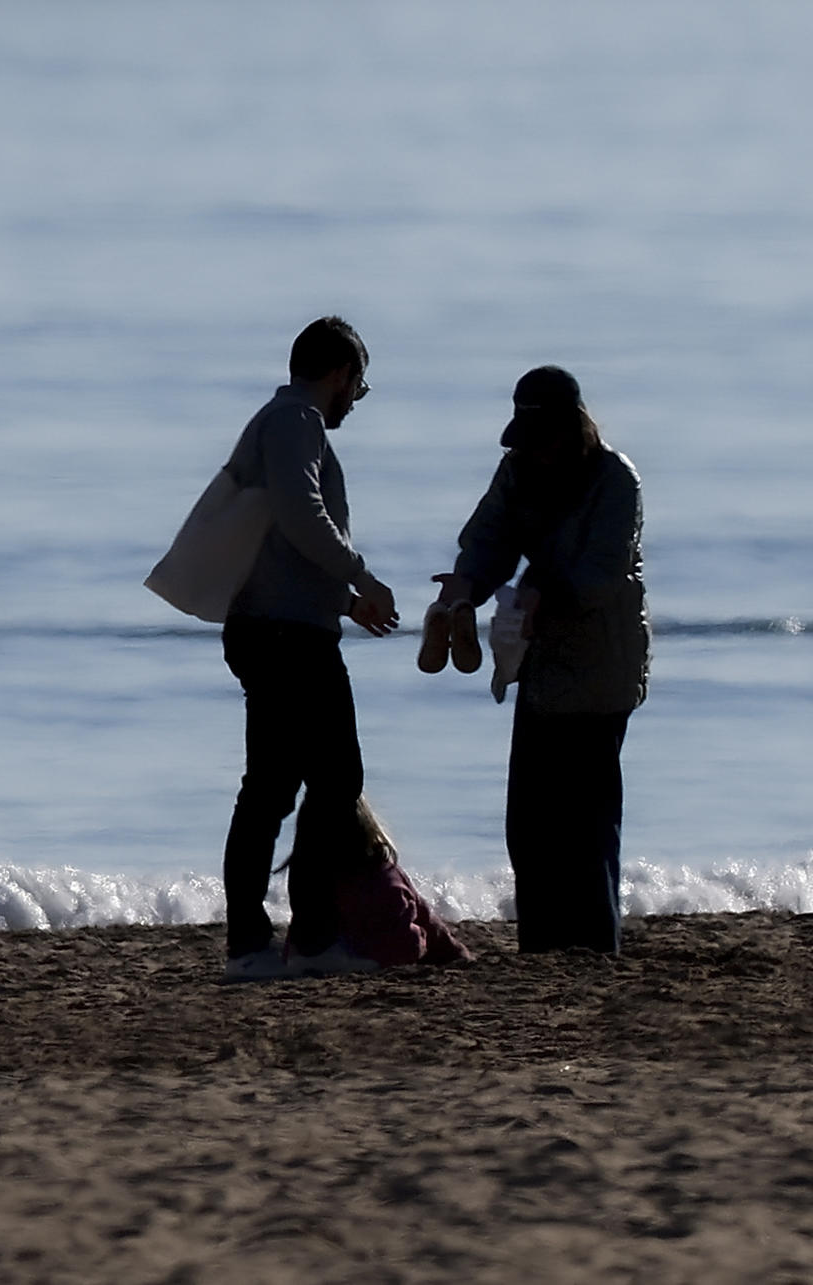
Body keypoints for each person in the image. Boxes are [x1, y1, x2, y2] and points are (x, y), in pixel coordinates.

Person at [430, 366, 650, 954]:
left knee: (586, 823)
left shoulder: (616, 480)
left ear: (571, 430)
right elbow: (488, 538)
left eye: (545, 439)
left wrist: (541, 590)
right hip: (542, 663)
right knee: (529, 826)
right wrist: (465, 588)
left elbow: (600, 576)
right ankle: (543, 948)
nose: (537, 452)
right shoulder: (519, 470)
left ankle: (594, 948)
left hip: (603, 667)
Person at [219, 316, 399, 983]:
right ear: (339, 375)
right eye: (359, 383)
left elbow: (281, 543)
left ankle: (269, 938)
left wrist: (346, 603)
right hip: (286, 634)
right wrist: (360, 574)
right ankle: (293, 937)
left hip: (281, 622)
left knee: (280, 784)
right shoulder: (298, 423)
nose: (356, 397)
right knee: (323, 781)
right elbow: (301, 515)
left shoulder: (280, 421)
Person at [281, 797, 472, 970]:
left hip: (338, 952)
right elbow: (424, 922)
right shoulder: (379, 873)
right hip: (369, 951)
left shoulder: (310, 873)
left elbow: (411, 941)